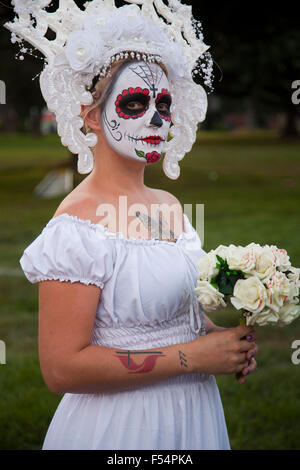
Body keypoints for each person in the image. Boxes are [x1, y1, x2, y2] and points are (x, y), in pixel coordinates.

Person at [12, 1, 258, 450]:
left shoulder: (168, 204)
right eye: (134, 102)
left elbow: (167, 312)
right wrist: (190, 358)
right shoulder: (78, 222)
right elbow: (62, 368)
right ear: (91, 115)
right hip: (121, 427)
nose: (156, 119)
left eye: (164, 103)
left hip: (193, 417)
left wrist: (220, 340)